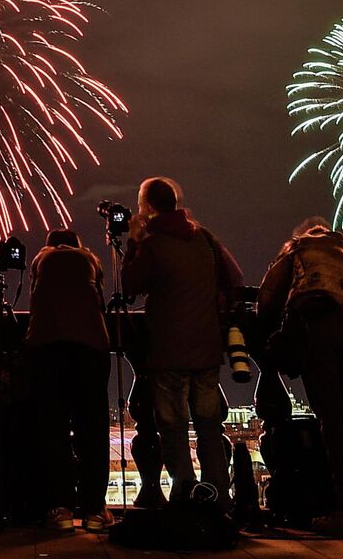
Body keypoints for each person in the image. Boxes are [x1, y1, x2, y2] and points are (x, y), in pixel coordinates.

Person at [259, 216, 343, 536]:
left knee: (332, 419)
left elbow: (268, 298)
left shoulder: (297, 249)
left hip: (318, 327)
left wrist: (271, 331)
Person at [120, 177, 242, 501]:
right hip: (206, 349)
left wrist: (132, 241)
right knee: (209, 426)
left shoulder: (152, 244)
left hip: (168, 350)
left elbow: (130, 285)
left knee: (172, 426)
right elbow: (236, 279)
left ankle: (185, 491)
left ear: (147, 207)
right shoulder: (204, 237)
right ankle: (217, 493)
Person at [26, 228, 113, 531]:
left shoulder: (41, 259)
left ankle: (60, 507)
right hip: (91, 348)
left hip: (47, 348)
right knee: (93, 428)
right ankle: (94, 509)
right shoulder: (90, 258)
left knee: (53, 428)